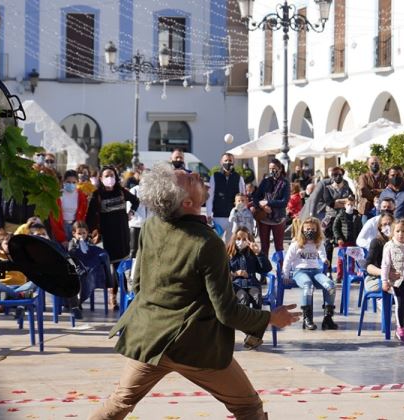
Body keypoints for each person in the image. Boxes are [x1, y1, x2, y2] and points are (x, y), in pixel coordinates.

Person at [89, 163, 299, 420]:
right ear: (187, 202)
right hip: (194, 345)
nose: (196, 175)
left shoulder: (152, 226)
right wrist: (269, 318)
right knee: (248, 408)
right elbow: (227, 311)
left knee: (119, 403)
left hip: (149, 338)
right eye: (189, 179)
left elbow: (139, 286)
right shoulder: (207, 242)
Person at [86, 166, 139, 311]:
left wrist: (131, 212)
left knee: (123, 267)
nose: (110, 178)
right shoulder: (97, 195)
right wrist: (94, 231)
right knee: (113, 268)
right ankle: (113, 296)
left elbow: (136, 201)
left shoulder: (121, 191)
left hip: (122, 234)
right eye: (106, 176)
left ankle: (124, 294)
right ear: (101, 179)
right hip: (108, 236)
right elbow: (89, 217)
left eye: (112, 175)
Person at [282, 217, 338, 331]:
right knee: (308, 285)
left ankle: (328, 318)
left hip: (316, 271)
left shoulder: (318, 243)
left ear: (317, 230)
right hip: (300, 272)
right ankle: (307, 318)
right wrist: (286, 275)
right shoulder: (296, 244)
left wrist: (324, 260)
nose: (310, 231)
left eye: (313, 229)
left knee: (330, 286)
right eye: (307, 229)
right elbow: (287, 260)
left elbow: (322, 254)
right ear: (302, 229)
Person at [226, 227, 271, 309]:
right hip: (236, 286)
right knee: (243, 298)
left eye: (244, 239)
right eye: (238, 239)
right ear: (234, 239)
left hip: (252, 284)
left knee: (257, 297)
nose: (241, 242)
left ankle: (257, 321)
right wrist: (235, 274)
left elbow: (266, 268)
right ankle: (244, 321)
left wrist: (258, 253)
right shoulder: (229, 254)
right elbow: (222, 273)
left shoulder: (252, 253)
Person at [252, 159, 290, 257]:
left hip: (278, 218)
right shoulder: (265, 181)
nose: (272, 170)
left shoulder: (285, 183)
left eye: (274, 168)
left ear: (280, 169)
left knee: (279, 247)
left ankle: (280, 270)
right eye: (270, 168)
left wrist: (268, 202)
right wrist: (262, 206)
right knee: (264, 246)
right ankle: (264, 270)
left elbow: (284, 202)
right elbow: (256, 197)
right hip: (264, 218)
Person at [207, 153, 245, 242]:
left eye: (230, 161)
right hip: (218, 217)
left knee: (230, 243)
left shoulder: (239, 178)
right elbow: (210, 197)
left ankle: (229, 256)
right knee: (216, 243)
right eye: (226, 160)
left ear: (233, 162)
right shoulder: (215, 177)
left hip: (234, 218)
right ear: (221, 162)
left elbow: (242, 198)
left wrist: (242, 214)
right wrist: (209, 214)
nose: (228, 162)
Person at [322, 167, 353, 272]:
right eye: (335, 174)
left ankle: (343, 271)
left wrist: (338, 201)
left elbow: (352, 199)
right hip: (330, 218)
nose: (338, 176)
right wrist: (344, 201)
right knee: (328, 244)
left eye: (340, 174)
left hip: (343, 218)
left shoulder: (347, 186)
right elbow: (330, 203)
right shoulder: (327, 188)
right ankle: (328, 269)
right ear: (332, 176)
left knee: (343, 243)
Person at [49, 170, 89, 247]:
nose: (71, 184)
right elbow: (53, 218)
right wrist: (62, 238)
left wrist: (79, 231)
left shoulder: (81, 196)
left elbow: (83, 214)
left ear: (77, 182)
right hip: (60, 227)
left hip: (76, 226)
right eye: (68, 182)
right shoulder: (57, 195)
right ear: (64, 182)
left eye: (74, 182)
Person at [333, 196, 362, 282]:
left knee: (352, 259)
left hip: (353, 241)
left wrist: (358, 240)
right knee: (341, 259)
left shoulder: (356, 216)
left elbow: (359, 229)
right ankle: (339, 276)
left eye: (352, 205)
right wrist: (338, 238)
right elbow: (335, 227)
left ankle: (351, 275)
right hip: (343, 241)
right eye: (348, 204)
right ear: (345, 205)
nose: (350, 206)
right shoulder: (341, 215)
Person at [357, 156, 387, 225]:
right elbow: (363, 191)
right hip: (367, 210)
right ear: (368, 166)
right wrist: (375, 197)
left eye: (376, 163)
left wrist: (374, 191)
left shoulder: (386, 178)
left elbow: (388, 191)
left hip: (382, 210)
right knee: (366, 233)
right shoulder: (363, 177)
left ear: (380, 164)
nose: (374, 165)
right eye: (372, 163)